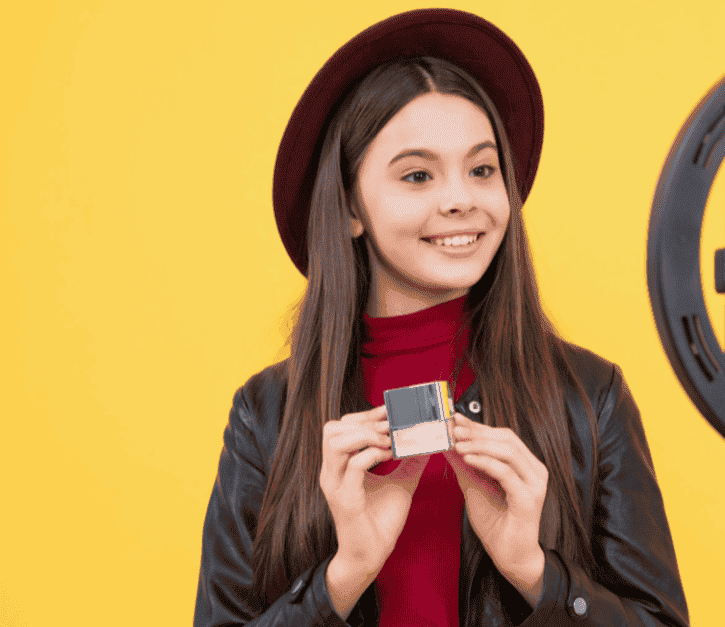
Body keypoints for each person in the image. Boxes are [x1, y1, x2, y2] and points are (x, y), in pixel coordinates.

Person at [194, 8, 689, 627]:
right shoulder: (267, 413)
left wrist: (537, 573)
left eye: (482, 169)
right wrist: (341, 578)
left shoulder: (590, 397)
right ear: (350, 206)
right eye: (419, 175)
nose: (461, 199)